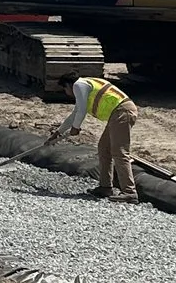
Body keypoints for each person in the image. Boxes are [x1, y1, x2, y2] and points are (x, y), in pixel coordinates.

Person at [52, 70, 139, 198]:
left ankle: (129, 192)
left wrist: (76, 128)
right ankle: (105, 187)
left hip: (122, 112)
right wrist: (58, 132)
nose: (67, 93)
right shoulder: (84, 86)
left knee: (119, 152)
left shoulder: (78, 85)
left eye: (65, 89)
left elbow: (82, 111)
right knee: (104, 149)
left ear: (68, 85)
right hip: (117, 114)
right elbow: (75, 113)